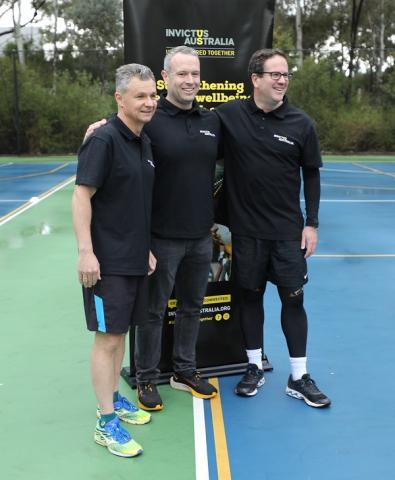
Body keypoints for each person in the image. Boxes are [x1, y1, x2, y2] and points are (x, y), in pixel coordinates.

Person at [85, 46, 219, 411]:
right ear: (166, 77)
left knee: (192, 307)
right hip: (159, 238)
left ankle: (184, 371)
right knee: (152, 313)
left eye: (194, 73)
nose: (189, 80)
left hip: (200, 236)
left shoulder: (212, 122)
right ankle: (146, 377)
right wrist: (97, 126)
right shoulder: (149, 120)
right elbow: (118, 127)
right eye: (181, 74)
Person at [216, 48, 331, 407]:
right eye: (275, 74)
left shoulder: (301, 123)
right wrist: (113, 120)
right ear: (255, 78)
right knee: (249, 299)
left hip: (286, 234)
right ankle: (253, 366)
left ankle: (299, 376)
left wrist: (311, 223)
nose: (282, 80)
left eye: (285, 75)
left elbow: (311, 175)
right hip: (245, 232)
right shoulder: (228, 115)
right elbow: (183, 123)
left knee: (293, 302)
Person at [72, 63, 158, 457]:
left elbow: (133, 203)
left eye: (152, 95)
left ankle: (113, 399)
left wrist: (146, 249)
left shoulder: (142, 141)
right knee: (107, 340)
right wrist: (86, 253)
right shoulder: (104, 139)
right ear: (119, 98)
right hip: (106, 263)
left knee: (119, 334)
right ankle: (106, 424)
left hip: (134, 258)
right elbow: (81, 196)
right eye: (140, 96)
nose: (149, 102)